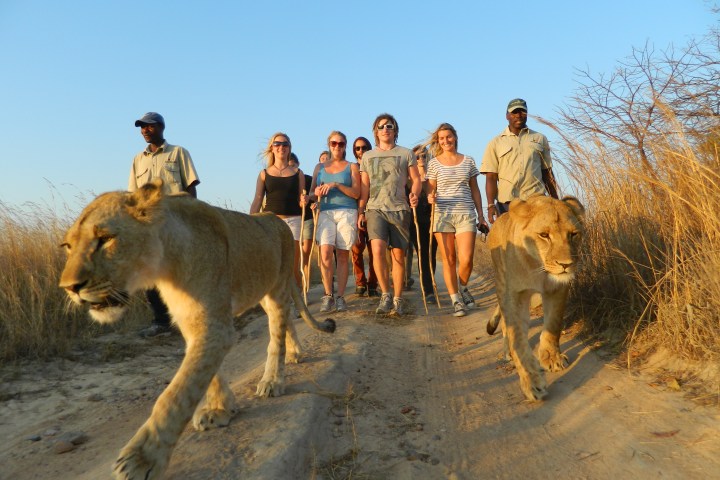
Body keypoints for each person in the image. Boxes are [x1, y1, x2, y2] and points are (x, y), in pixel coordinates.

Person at [129, 112, 200, 337]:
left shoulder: (178, 152)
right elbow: (134, 194)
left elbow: (190, 188)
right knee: (150, 270)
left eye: (148, 127)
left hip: (176, 222)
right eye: (141, 128)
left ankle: (187, 318)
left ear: (160, 127)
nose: (144, 131)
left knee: (180, 271)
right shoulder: (138, 159)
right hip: (148, 223)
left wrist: (192, 219)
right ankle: (160, 321)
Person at [358, 113, 421, 316]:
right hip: (375, 209)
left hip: (400, 209)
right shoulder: (368, 157)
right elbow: (365, 186)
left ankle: (398, 298)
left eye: (390, 126)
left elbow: (416, 179)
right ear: (376, 132)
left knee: (398, 255)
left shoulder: (406, 153)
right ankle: (385, 294)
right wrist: (361, 210)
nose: (386, 129)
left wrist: (415, 194)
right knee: (376, 250)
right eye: (381, 126)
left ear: (395, 130)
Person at [426, 123, 488, 317]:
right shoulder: (434, 163)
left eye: (449, 137)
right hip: (442, 215)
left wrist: (481, 215)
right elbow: (430, 190)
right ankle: (455, 300)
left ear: (455, 137)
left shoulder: (468, 161)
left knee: (467, 259)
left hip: (465, 213)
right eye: (442, 138)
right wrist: (430, 198)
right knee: (449, 259)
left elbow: (475, 189)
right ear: (438, 141)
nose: (446, 141)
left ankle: (463, 287)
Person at [480, 98, 559, 224]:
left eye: (522, 112)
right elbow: (491, 177)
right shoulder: (495, 143)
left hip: (536, 202)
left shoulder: (539, 139)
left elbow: (547, 173)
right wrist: (490, 205)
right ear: (507, 116)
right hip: (507, 205)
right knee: (509, 242)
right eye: (514, 112)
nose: (518, 115)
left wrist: (556, 202)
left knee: (539, 240)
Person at [249, 133, 308, 294]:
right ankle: (278, 301)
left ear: (289, 148)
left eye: (285, 144)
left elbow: (301, 200)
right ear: (272, 148)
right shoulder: (264, 174)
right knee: (274, 264)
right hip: (271, 222)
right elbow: (257, 199)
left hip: (294, 221)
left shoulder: (298, 173)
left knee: (293, 264)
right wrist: (250, 222)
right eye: (277, 144)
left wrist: (304, 201)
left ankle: (298, 301)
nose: (281, 147)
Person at [309, 131, 360, 313]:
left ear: (345, 146)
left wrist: (337, 185)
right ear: (329, 145)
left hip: (347, 210)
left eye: (341, 144)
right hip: (325, 211)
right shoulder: (319, 167)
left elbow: (356, 193)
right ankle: (328, 295)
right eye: (334, 143)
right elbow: (312, 193)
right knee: (324, 253)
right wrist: (311, 198)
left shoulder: (352, 167)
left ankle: (340, 297)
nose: (337, 146)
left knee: (343, 254)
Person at [407, 145, 438, 304]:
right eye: (417, 156)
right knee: (422, 253)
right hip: (416, 222)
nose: (421, 159)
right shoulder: (409, 181)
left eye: (424, 156)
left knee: (432, 254)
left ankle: (431, 283)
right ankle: (428, 289)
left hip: (433, 220)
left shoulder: (434, 178)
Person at [350, 136, 378, 297]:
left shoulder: (374, 166)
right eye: (358, 148)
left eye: (364, 147)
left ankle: (373, 284)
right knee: (356, 249)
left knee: (374, 250)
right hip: (355, 211)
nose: (361, 151)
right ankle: (360, 282)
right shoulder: (352, 168)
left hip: (373, 211)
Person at [289, 153, 314, 288]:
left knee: (305, 255)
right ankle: (297, 286)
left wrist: (312, 200)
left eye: (293, 166)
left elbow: (314, 195)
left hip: (308, 219)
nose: (291, 169)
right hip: (294, 220)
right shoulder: (287, 181)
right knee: (294, 257)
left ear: (298, 165)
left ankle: (305, 288)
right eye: (289, 166)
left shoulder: (308, 179)